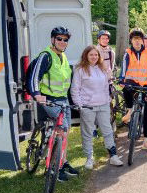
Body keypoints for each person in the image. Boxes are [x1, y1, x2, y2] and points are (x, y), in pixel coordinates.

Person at [28, 26, 79, 182]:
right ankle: (53, 168)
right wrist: (37, 94)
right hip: (49, 100)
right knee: (61, 131)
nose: (63, 42)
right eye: (59, 39)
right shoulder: (46, 56)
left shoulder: (62, 57)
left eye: (65, 40)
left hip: (63, 99)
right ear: (52, 40)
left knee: (66, 131)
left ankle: (62, 162)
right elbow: (34, 77)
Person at [71, 46, 123, 169]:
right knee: (88, 133)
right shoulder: (80, 70)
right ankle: (89, 158)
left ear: (99, 56)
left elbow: (106, 87)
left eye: (96, 55)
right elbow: (75, 89)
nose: (94, 57)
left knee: (108, 131)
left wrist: (108, 99)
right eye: (91, 55)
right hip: (87, 107)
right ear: (86, 56)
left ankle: (113, 156)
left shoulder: (103, 69)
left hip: (103, 105)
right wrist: (80, 106)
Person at [119, 28, 147, 152]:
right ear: (131, 40)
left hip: (145, 85)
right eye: (134, 39)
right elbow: (124, 69)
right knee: (126, 87)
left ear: (142, 40)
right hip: (132, 84)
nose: (136, 41)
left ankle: (146, 140)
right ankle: (130, 112)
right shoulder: (128, 53)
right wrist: (122, 80)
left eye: (139, 39)